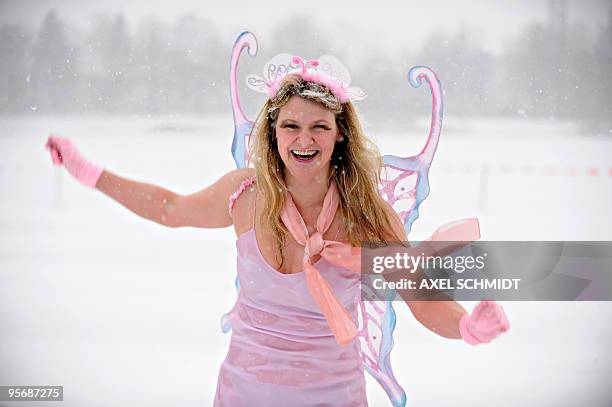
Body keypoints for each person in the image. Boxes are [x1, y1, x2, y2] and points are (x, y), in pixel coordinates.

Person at [44, 56, 509, 406]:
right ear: (272, 131)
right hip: (244, 394)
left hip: (334, 396)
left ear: (340, 134)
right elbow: (170, 208)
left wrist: (467, 327)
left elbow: (420, 297)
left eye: (319, 127)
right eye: (290, 125)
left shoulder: (368, 215)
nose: (304, 140)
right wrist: (90, 173)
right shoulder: (245, 194)